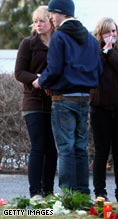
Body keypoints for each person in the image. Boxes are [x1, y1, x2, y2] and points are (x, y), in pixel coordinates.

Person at [33, 0, 103, 195]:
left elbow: (54, 69)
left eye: (53, 14)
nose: (51, 18)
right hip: (84, 99)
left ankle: (67, 194)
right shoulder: (90, 38)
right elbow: (98, 69)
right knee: (81, 148)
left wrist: (42, 81)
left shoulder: (60, 36)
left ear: (62, 14)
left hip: (63, 99)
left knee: (65, 149)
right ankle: (83, 193)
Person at [14, 5, 57, 199]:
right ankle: (35, 193)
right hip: (33, 102)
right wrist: (36, 79)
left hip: (55, 102)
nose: (38, 24)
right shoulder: (28, 43)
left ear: (51, 22)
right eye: (36, 21)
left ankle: (48, 191)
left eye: (42, 20)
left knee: (52, 148)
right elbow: (19, 72)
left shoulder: (59, 43)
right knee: (38, 146)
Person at [90, 17, 118, 203]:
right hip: (100, 109)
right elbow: (93, 71)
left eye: (114, 31)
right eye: (107, 32)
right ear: (100, 34)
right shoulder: (93, 52)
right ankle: (100, 191)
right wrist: (103, 52)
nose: (111, 35)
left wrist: (111, 54)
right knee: (101, 152)